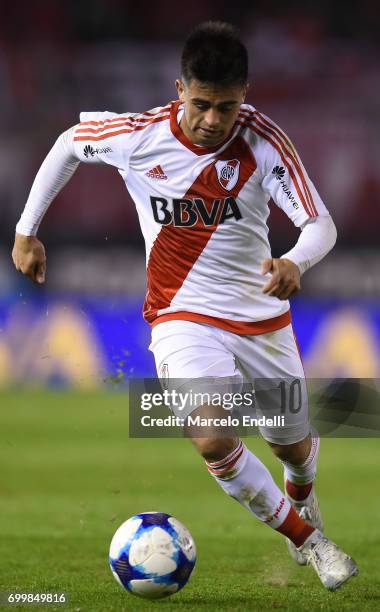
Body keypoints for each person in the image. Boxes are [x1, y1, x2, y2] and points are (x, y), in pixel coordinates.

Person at [12, 21, 358, 591]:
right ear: (180, 89)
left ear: (244, 96)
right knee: (213, 435)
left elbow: (320, 224)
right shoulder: (139, 135)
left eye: (226, 106)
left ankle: (303, 494)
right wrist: (27, 230)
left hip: (262, 319)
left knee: (292, 446)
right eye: (201, 104)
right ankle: (309, 540)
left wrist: (296, 260)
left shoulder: (264, 142)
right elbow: (68, 145)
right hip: (180, 316)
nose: (213, 120)